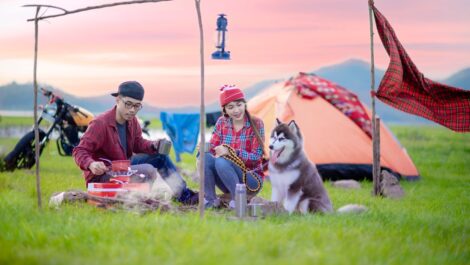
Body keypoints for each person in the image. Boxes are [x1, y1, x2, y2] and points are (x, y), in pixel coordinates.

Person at [72, 81, 197, 205]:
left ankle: (183, 195)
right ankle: (139, 200)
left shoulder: (132, 121)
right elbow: (79, 150)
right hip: (103, 173)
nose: (132, 110)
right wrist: (91, 164)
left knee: (160, 156)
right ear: (118, 100)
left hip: (123, 166)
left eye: (137, 106)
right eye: (128, 104)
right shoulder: (100, 123)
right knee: (147, 170)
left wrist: (154, 145)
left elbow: (138, 143)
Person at [203, 84, 265, 208]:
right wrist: (206, 148)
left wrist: (232, 152)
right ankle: (210, 200)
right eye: (230, 107)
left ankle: (239, 201)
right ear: (225, 110)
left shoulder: (256, 123)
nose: (236, 110)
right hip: (226, 177)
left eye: (239, 105)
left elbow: (256, 157)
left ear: (245, 104)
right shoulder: (221, 122)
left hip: (251, 179)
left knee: (221, 161)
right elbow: (213, 146)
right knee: (205, 157)